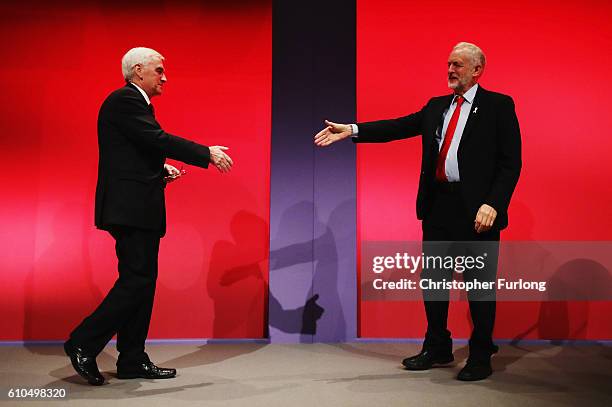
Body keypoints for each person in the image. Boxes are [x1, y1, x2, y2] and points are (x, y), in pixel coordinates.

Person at [314, 42, 521, 381]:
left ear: (477, 70)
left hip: (477, 213)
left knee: (478, 285)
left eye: (457, 64)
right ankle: (438, 347)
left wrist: (494, 204)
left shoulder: (498, 105)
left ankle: (481, 354)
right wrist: (351, 130)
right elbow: (397, 127)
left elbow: (510, 163)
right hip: (439, 206)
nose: (450, 70)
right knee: (434, 282)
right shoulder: (437, 106)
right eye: (448, 64)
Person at [64, 47, 233, 385]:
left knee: (142, 283)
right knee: (136, 281)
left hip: (139, 207)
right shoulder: (124, 100)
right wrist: (206, 153)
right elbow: (155, 138)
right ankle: (83, 341)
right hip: (130, 210)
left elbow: (138, 148)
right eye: (159, 70)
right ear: (138, 70)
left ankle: (132, 358)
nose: (165, 77)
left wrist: (159, 169)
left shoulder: (135, 104)